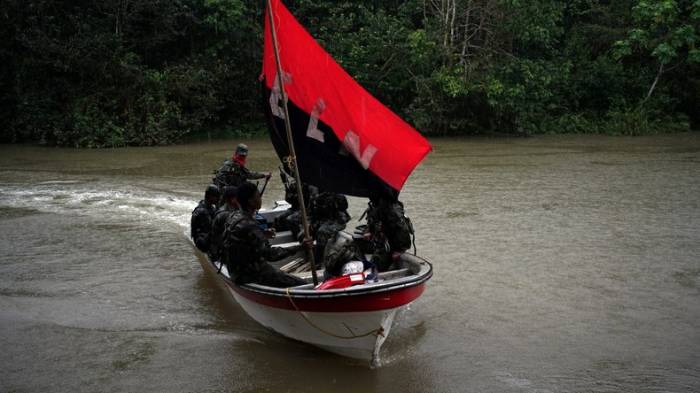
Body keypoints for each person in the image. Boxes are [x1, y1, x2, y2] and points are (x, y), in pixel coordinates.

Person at [222, 182, 306, 288]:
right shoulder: (249, 225)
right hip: (249, 275)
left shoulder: (233, 216)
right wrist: (300, 247)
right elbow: (271, 255)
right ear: (250, 201)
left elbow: (244, 241)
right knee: (302, 284)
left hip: (235, 271)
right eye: (258, 196)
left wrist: (262, 234)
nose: (260, 199)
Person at [364, 192, 414, 272]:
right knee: (372, 263)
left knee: (377, 266)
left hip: (391, 245)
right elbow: (373, 221)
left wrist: (399, 250)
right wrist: (369, 231)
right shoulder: (375, 205)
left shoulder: (391, 209)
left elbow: (402, 230)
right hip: (381, 243)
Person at [208, 186, 239, 262]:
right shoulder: (224, 214)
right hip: (223, 250)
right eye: (238, 197)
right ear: (232, 199)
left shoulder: (234, 210)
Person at [191, 185, 220, 252]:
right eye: (216, 196)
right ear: (210, 196)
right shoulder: (202, 211)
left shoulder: (209, 207)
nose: (218, 199)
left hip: (204, 235)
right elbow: (212, 228)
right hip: (201, 239)